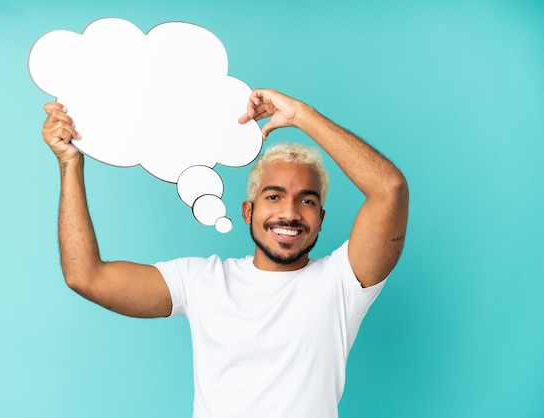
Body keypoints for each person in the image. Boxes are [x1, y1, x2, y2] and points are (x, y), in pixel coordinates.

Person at [42, 88, 409, 417]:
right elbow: (86, 276)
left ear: (320, 219)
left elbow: (390, 189)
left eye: (307, 201)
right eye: (274, 196)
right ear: (248, 211)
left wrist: (301, 116)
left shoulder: (343, 283)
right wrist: (70, 163)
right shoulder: (201, 280)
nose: (289, 213)